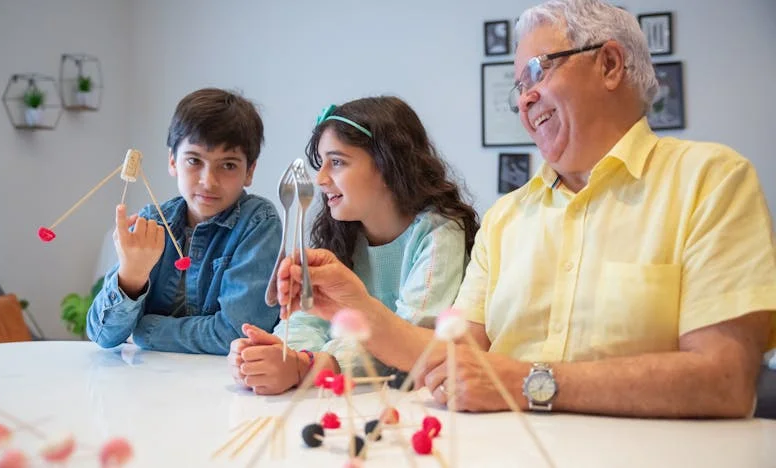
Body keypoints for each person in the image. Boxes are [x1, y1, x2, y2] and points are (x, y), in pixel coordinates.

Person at [275, 0, 776, 418]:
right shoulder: (505, 218)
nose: (524, 99)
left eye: (538, 70)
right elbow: (455, 358)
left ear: (609, 64)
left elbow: (724, 380)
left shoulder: (711, 180)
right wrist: (356, 306)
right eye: (519, 86)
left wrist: (532, 383)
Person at [228, 96, 479, 395]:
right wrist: (276, 353)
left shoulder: (439, 232)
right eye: (320, 163)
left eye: (337, 162)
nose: (320, 179)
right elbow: (308, 315)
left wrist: (312, 365)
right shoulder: (340, 235)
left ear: (389, 164)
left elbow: (410, 336)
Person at [86, 88, 282, 355]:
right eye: (194, 160)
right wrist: (131, 275)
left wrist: (144, 331)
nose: (208, 181)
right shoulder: (153, 222)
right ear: (172, 161)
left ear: (250, 171)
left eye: (228, 165)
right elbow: (102, 335)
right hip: (148, 383)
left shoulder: (257, 223)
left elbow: (238, 334)